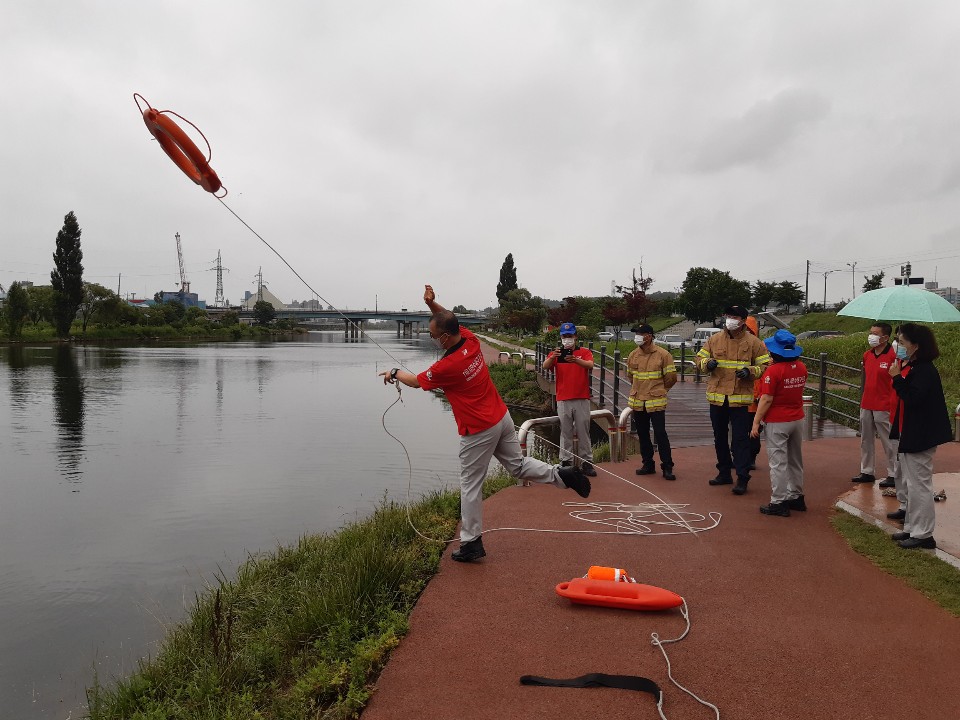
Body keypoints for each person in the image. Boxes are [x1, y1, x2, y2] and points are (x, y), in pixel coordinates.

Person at [381, 285, 590, 563]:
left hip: (478, 430)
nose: (432, 339)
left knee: (470, 485)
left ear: (445, 337)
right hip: (501, 417)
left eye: (433, 336)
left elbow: (417, 382)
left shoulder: (446, 367)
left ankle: (471, 542)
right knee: (518, 466)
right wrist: (432, 304)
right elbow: (449, 318)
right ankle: (563, 475)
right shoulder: (470, 340)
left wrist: (395, 372)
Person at [886, 323, 952, 550]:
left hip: (921, 436)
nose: (898, 346)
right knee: (911, 484)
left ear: (916, 346)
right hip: (911, 433)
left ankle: (923, 534)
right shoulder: (915, 367)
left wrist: (897, 378)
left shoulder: (925, 370)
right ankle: (912, 528)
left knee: (919, 485)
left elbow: (913, 399)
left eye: (902, 342)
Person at [696, 305, 771, 495]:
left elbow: (765, 366)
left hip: (740, 400)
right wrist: (707, 364)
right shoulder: (714, 339)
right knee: (719, 437)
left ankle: (742, 477)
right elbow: (699, 359)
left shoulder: (754, 343)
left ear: (743, 321)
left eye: (734, 317)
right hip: (717, 398)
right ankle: (724, 473)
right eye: (728, 315)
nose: (730, 319)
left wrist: (750, 371)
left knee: (740, 440)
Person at [750, 330, 808, 517]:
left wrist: (756, 422)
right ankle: (796, 496)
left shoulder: (773, 371)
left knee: (778, 463)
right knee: (795, 459)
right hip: (797, 418)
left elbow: (766, 399)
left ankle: (778, 501)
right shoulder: (801, 367)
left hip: (778, 420)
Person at [541, 321, 596, 476]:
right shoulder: (556, 353)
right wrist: (553, 358)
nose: (567, 339)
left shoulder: (584, 352)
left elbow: (590, 365)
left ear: (575, 336)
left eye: (570, 336)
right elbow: (545, 366)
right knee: (565, 431)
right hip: (563, 398)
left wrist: (576, 360)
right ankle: (566, 461)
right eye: (564, 336)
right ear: (561, 337)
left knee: (583, 430)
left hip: (581, 397)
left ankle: (586, 461)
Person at [626, 323, 678, 480]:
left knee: (660, 433)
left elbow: (671, 378)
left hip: (656, 402)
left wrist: (660, 390)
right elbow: (630, 376)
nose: (637, 337)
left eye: (640, 334)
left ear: (649, 336)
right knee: (643, 434)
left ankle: (667, 466)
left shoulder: (663, 355)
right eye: (636, 334)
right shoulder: (633, 355)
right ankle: (647, 464)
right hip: (638, 401)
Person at [851, 323, 898, 487]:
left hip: (884, 404)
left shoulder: (893, 356)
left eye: (875, 333)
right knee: (866, 439)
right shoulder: (868, 355)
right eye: (871, 332)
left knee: (888, 441)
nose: (871, 336)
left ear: (885, 337)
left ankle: (893, 473)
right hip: (867, 402)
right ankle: (867, 471)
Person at [744, 316, 763, 469]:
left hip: (754, 399)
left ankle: (751, 457)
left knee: (753, 430)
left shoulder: (759, 347)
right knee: (739, 431)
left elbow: (765, 372)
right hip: (739, 398)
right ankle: (740, 457)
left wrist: (760, 396)